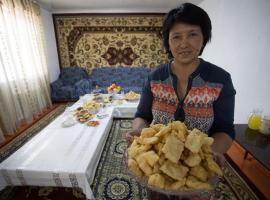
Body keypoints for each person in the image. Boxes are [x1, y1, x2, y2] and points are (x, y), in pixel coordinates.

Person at [126, 3, 236, 156]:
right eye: (176, 37)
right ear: (168, 43)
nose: (184, 44)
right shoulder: (154, 77)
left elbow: (224, 129)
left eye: (192, 34)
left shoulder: (220, 79)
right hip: (158, 159)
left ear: (203, 38)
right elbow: (142, 116)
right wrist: (138, 130)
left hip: (199, 163)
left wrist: (211, 154)